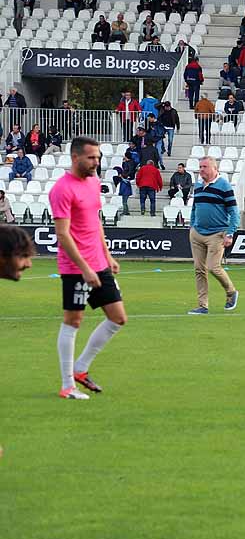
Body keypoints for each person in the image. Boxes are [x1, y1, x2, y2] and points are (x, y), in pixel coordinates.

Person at [49, 137, 127, 399]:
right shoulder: (62, 189)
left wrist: (107, 256)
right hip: (75, 267)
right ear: (75, 158)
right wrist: (84, 267)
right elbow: (63, 234)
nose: (96, 162)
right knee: (74, 320)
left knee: (118, 318)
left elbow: (95, 222)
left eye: (98, 157)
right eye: (91, 158)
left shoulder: (94, 183)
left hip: (98, 263)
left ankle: (81, 369)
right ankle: (67, 384)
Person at [188, 156, 240, 314]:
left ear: (214, 168)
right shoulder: (197, 186)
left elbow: (234, 212)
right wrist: (191, 226)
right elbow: (194, 207)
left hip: (217, 234)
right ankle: (203, 306)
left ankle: (231, 292)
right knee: (199, 270)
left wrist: (230, 233)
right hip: (197, 233)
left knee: (213, 267)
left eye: (204, 166)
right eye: (200, 166)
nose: (201, 169)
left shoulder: (224, 185)